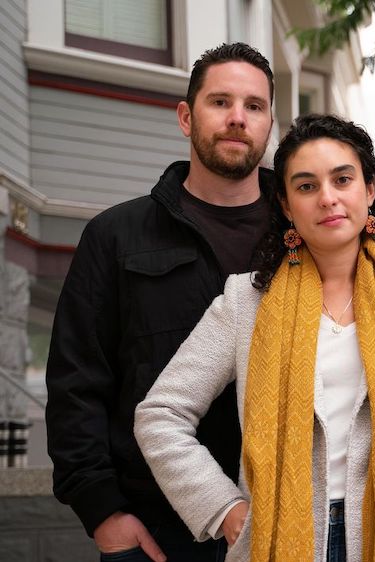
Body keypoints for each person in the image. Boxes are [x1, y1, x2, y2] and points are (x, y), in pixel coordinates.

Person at [134, 114, 375, 562]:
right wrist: (223, 509)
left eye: (342, 179)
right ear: (285, 205)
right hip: (278, 539)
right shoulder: (247, 302)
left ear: (370, 190)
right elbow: (160, 415)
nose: (328, 198)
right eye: (306, 186)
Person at [45, 43, 275, 562]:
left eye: (254, 106)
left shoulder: (303, 235)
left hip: (286, 525)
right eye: (220, 102)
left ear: (269, 124)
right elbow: (75, 384)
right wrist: (103, 513)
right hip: (157, 535)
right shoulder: (116, 236)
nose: (238, 119)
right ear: (185, 116)